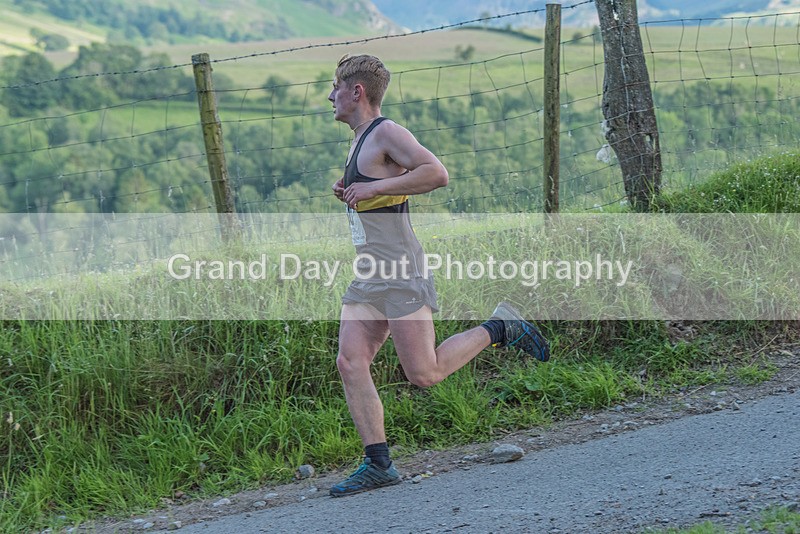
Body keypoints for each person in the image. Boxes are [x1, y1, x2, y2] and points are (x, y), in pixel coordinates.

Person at [327, 54, 549, 497]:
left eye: (335, 87)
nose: (329, 96)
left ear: (358, 92)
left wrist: (373, 187)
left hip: (402, 270)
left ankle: (500, 326)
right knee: (350, 361)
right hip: (370, 271)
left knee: (424, 374)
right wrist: (355, 193)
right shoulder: (357, 142)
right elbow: (384, 191)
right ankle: (378, 464)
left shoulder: (386, 132)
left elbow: (436, 173)